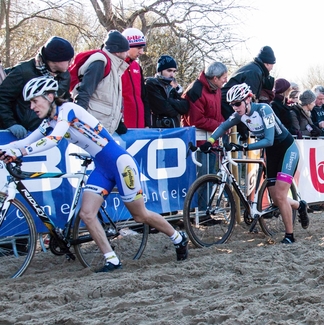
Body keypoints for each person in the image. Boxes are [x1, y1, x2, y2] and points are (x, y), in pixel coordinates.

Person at [0, 76, 189, 271]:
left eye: (34, 101)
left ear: (49, 96)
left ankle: (178, 237)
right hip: (102, 168)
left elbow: (54, 139)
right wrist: (6, 150)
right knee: (87, 213)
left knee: (140, 215)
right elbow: (26, 141)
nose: (31, 107)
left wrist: (21, 152)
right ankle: (112, 260)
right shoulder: (50, 120)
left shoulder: (68, 110)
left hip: (121, 164)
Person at [200, 83, 309, 243]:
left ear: (248, 100)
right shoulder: (239, 114)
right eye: (232, 104)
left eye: (237, 103)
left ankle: (289, 236)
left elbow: (269, 140)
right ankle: (300, 206)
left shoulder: (264, 110)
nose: (235, 108)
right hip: (271, 153)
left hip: (287, 150)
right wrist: (209, 141)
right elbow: (223, 126)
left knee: (280, 195)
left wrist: (244, 146)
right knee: (276, 198)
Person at [0, 36, 74, 138]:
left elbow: (65, 101)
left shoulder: (65, 76)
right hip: (21, 135)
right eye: (68, 60)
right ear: (56, 60)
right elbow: (2, 98)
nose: (71, 63)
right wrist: (11, 124)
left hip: (49, 134)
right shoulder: (23, 72)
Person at [72, 30, 130, 134]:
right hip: (91, 127)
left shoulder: (115, 66)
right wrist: (79, 120)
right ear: (117, 51)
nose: (127, 53)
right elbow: (85, 91)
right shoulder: (100, 62)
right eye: (125, 50)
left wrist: (118, 122)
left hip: (100, 127)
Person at [182, 61, 228, 176]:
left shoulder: (216, 89)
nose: (226, 81)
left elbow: (216, 112)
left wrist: (224, 124)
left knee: (210, 175)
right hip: (199, 143)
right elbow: (196, 120)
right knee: (202, 177)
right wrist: (220, 126)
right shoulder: (196, 91)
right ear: (215, 78)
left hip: (211, 141)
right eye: (224, 78)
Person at [221, 46, 276, 123]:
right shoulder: (255, 73)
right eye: (272, 64)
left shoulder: (253, 68)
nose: (272, 68)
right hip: (230, 105)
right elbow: (248, 99)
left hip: (230, 103)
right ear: (267, 63)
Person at [145, 55, 189, 128]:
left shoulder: (171, 87)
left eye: (174, 71)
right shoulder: (151, 84)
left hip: (174, 129)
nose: (172, 74)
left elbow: (185, 107)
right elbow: (163, 108)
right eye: (169, 71)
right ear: (160, 70)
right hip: (157, 131)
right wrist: (175, 108)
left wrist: (169, 101)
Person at [121, 28, 151, 128]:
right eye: (139, 48)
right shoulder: (114, 65)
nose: (141, 52)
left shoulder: (137, 67)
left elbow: (144, 97)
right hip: (121, 127)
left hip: (139, 126)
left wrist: (147, 123)